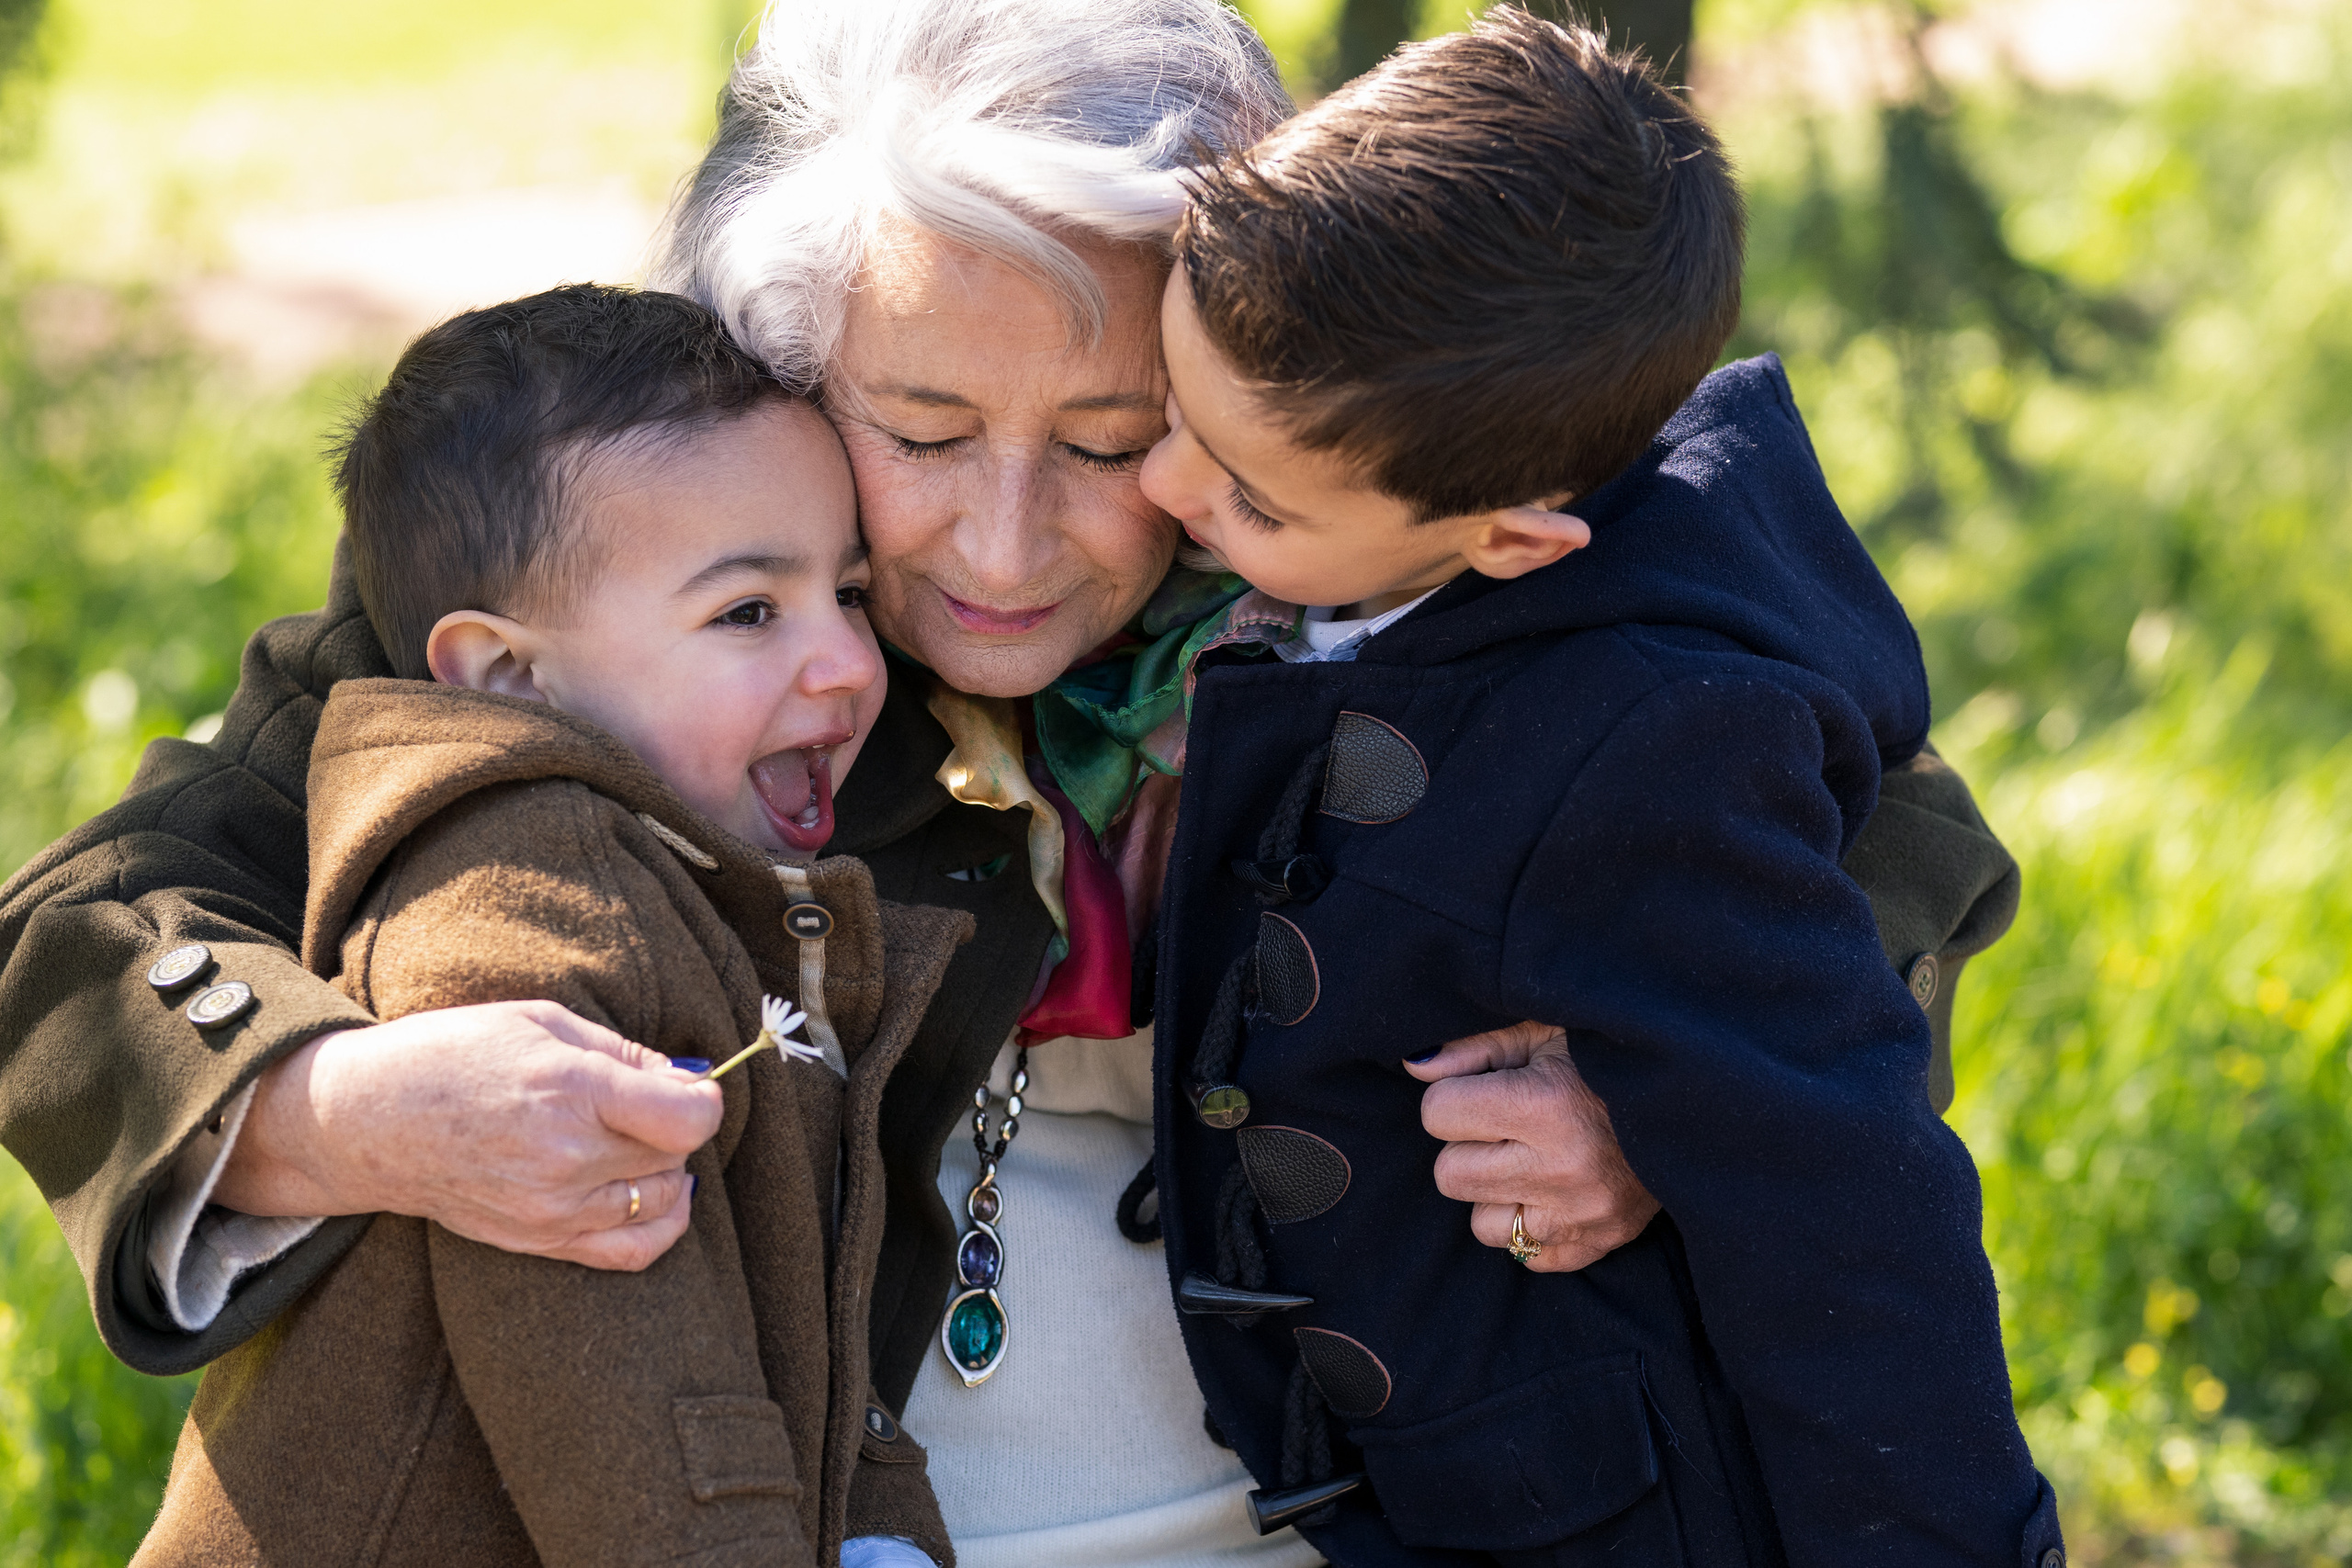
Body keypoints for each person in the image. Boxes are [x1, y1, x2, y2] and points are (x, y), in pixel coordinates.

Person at [0, 3, 2017, 1563]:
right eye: (921, 422)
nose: (1002, 541)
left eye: (1115, 431)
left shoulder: (1404, 532)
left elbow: (1880, 841)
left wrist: (1656, 1101)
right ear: (791, 363)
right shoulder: (625, 584)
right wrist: (343, 1108)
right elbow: (82, 923)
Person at [1133, 13, 2058, 1565]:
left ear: (1512, 540)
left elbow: (1838, 1207)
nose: (1167, 490)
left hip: (1606, 1516)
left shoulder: (1647, 739)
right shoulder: (1396, 489)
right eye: (1168, 410)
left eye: (1250, 498)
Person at [135, 285, 961, 1568]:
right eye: (750, 612)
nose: (850, 664)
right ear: (512, 676)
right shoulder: (533, 898)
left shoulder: (681, 870)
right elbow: (626, 1400)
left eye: (847, 594)